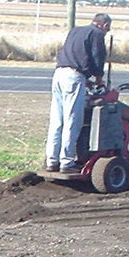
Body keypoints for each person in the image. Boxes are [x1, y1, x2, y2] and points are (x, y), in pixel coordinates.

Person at [44, 12, 111, 173]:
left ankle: (52, 160)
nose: (106, 32)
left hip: (59, 74)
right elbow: (97, 57)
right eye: (108, 29)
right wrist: (99, 79)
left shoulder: (75, 31)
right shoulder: (97, 34)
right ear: (105, 25)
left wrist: (85, 79)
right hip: (74, 77)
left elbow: (76, 55)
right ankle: (67, 162)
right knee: (72, 119)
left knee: (56, 120)